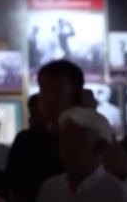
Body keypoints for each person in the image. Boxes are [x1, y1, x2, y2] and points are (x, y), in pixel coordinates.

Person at [6, 60, 84, 202]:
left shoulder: (86, 139)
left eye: (57, 90)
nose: (48, 97)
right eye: (43, 89)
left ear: (76, 95)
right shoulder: (26, 141)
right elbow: (14, 192)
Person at [36, 107, 127, 202]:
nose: (66, 147)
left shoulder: (120, 195)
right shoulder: (50, 189)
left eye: (76, 141)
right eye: (64, 138)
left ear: (100, 147)